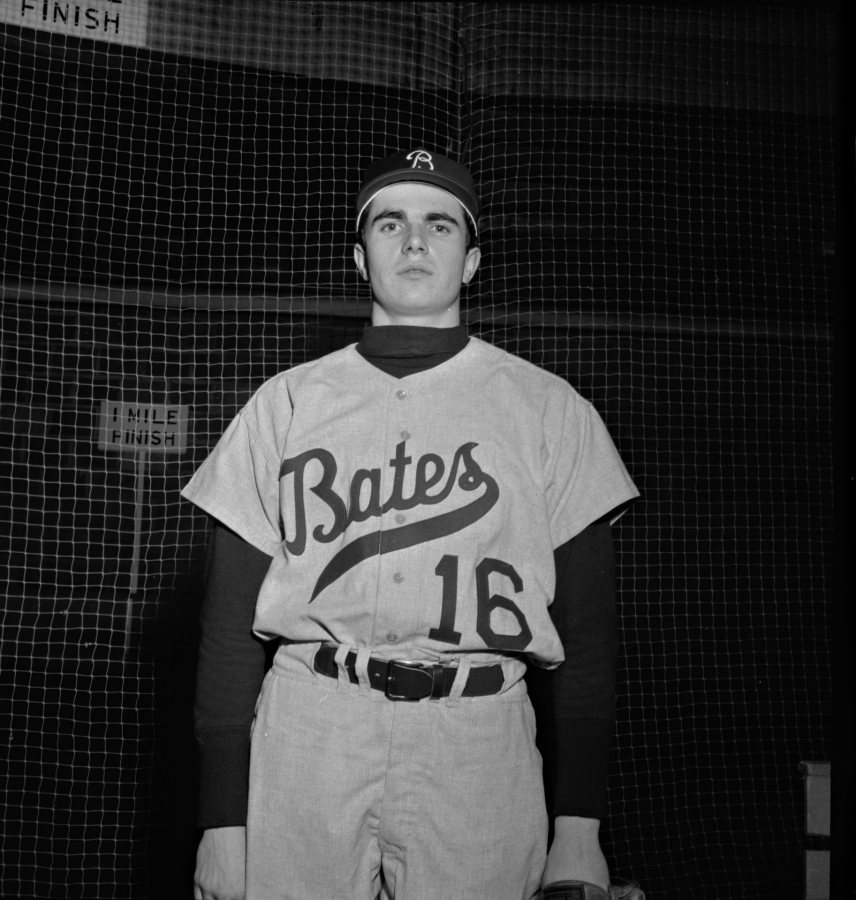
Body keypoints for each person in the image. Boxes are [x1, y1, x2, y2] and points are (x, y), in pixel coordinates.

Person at [183, 148, 639, 900]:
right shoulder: (286, 402)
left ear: (472, 260)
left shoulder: (550, 408)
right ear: (360, 261)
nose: (416, 242)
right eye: (390, 224)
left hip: (480, 741)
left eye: (440, 225)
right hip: (310, 729)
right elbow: (227, 630)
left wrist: (580, 831)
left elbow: (589, 639)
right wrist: (220, 825)